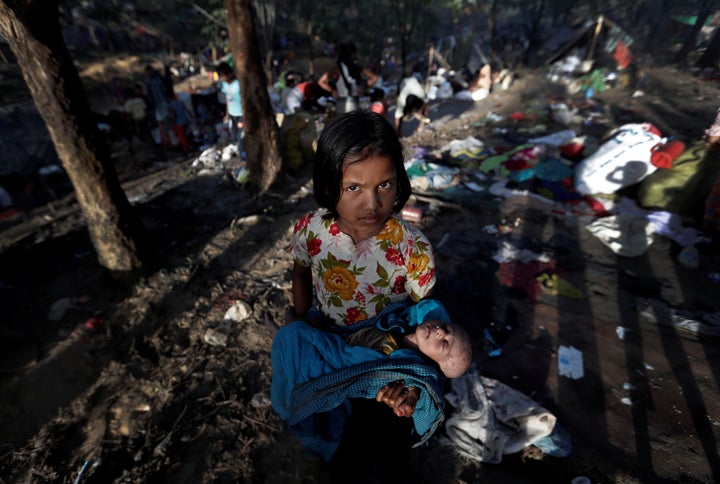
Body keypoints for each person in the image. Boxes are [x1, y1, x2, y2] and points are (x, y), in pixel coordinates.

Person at [318, 41, 378, 114]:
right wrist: (362, 87)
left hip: (341, 103)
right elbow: (374, 78)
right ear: (352, 54)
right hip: (354, 103)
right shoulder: (357, 68)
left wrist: (333, 91)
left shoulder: (336, 68)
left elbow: (321, 82)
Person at [216, 62, 243, 152]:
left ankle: (242, 157)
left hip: (241, 114)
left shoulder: (238, 84)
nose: (222, 78)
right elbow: (228, 99)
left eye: (223, 76)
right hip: (232, 114)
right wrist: (227, 114)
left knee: (241, 136)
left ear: (229, 74)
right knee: (234, 136)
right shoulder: (225, 85)